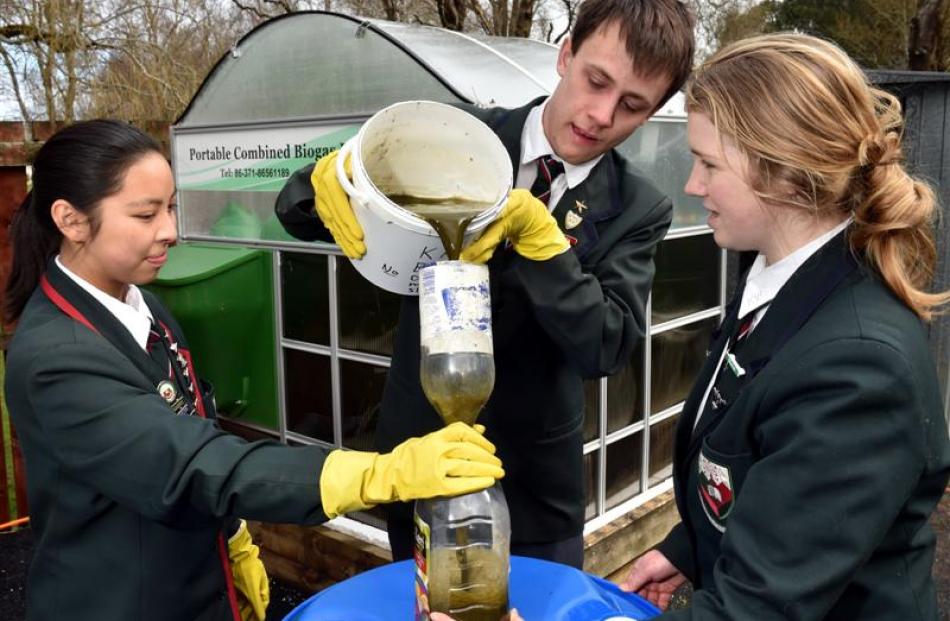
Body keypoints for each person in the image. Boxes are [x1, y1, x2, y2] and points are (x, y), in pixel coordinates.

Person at [2, 119, 504, 621]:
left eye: (171, 207)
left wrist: (234, 538)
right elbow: (187, 464)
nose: (171, 231)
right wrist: (378, 474)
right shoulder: (55, 359)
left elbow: (193, 420)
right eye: (145, 213)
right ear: (71, 220)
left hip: (192, 583)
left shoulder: (145, 306)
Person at [276, 0, 696, 568]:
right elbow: (298, 211)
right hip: (419, 459)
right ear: (566, 54)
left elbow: (606, 345)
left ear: (651, 115)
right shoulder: (454, 134)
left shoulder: (638, 207)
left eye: (631, 106)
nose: (600, 114)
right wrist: (325, 178)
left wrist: (543, 246)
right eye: (596, 81)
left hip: (531, 487)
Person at [617, 33, 950, 620]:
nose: (693, 186)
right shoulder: (777, 277)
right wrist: (690, 546)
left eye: (709, 164)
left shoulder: (857, 369)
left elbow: (757, 609)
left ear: (786, 176)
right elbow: (761, 460)